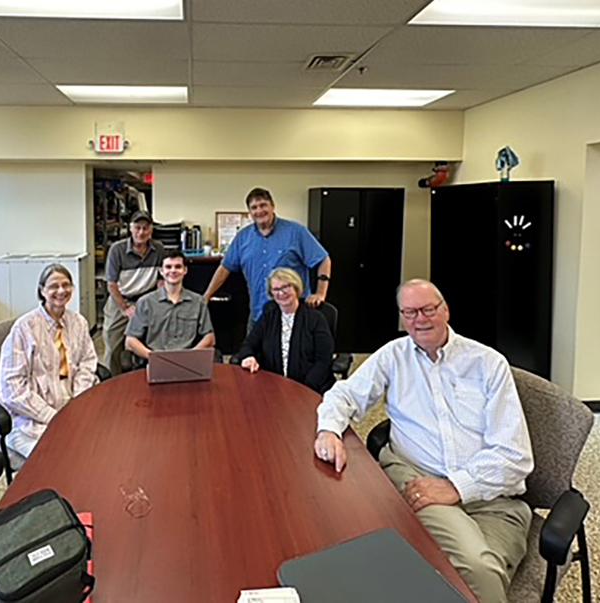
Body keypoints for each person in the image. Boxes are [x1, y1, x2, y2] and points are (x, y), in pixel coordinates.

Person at [313, 279, 533, 603]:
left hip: (494, 501)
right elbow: (345, 394)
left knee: (461, 577)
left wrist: (456, 487)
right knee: (478, 569)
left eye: (428, 309)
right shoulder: (394, 355)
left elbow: (516, 456)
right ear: (402, 317)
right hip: (421, 479)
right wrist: (329, 430)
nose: (420, 319)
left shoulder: (487, 363)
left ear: (445, 310)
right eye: (410, 312)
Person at [0, 264, 98, 458]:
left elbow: (88, 362)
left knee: (96, 449)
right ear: (42, 290)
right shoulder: (25, 328)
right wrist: (52, 416)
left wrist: (79, 402)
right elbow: (12, 387)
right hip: (33, 416)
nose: (61, 291)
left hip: (71, 401)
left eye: (66, 285)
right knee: (57, 459)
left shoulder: (79, 322)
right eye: (53, 286)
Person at [204, 187, 331, 326]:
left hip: (294, 316)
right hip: (259, 315)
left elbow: (323, 259)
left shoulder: (296, 232)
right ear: (250, 212)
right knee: (252, 348)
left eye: (263, 205)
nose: (259, 211)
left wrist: (320, 294)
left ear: (272, 206)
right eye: (254, 207)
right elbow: (224, 268)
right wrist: (206, 297)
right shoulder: (243, 238)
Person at [237, 267, 335, 393]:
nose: (281, 293)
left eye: (286, 287)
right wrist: (248, 357)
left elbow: (323, 361)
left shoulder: (315, 319)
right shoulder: (269, 316)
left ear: (296, 287)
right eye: (276, 289)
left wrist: (304, 389)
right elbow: (248, 345)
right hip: (273, 386)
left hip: (310, 388)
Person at [103, 211, 165, 375]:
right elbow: (111, 284)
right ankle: (111, 382)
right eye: (137, 228)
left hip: (146, 299)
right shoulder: (117, 250)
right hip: (120, 299)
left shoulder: (159, 249)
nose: (141, 232)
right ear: (130, 228)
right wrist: (124, 308)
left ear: (151, 230)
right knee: (112, 342)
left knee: (153, 341)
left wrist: (160, 301)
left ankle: (149, 375)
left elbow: (161, 279)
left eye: (145, 228)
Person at [125, 250, 215, 360]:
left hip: (188, 361)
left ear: (185, 270)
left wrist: (191, 356)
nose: (173, 271)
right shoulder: (145, 302)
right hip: (155, 360)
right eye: (168, 267)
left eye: (178, 267)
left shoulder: (198, 302)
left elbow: (210, 337)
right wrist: (152, 356)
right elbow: (131, 340)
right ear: (161, 271)